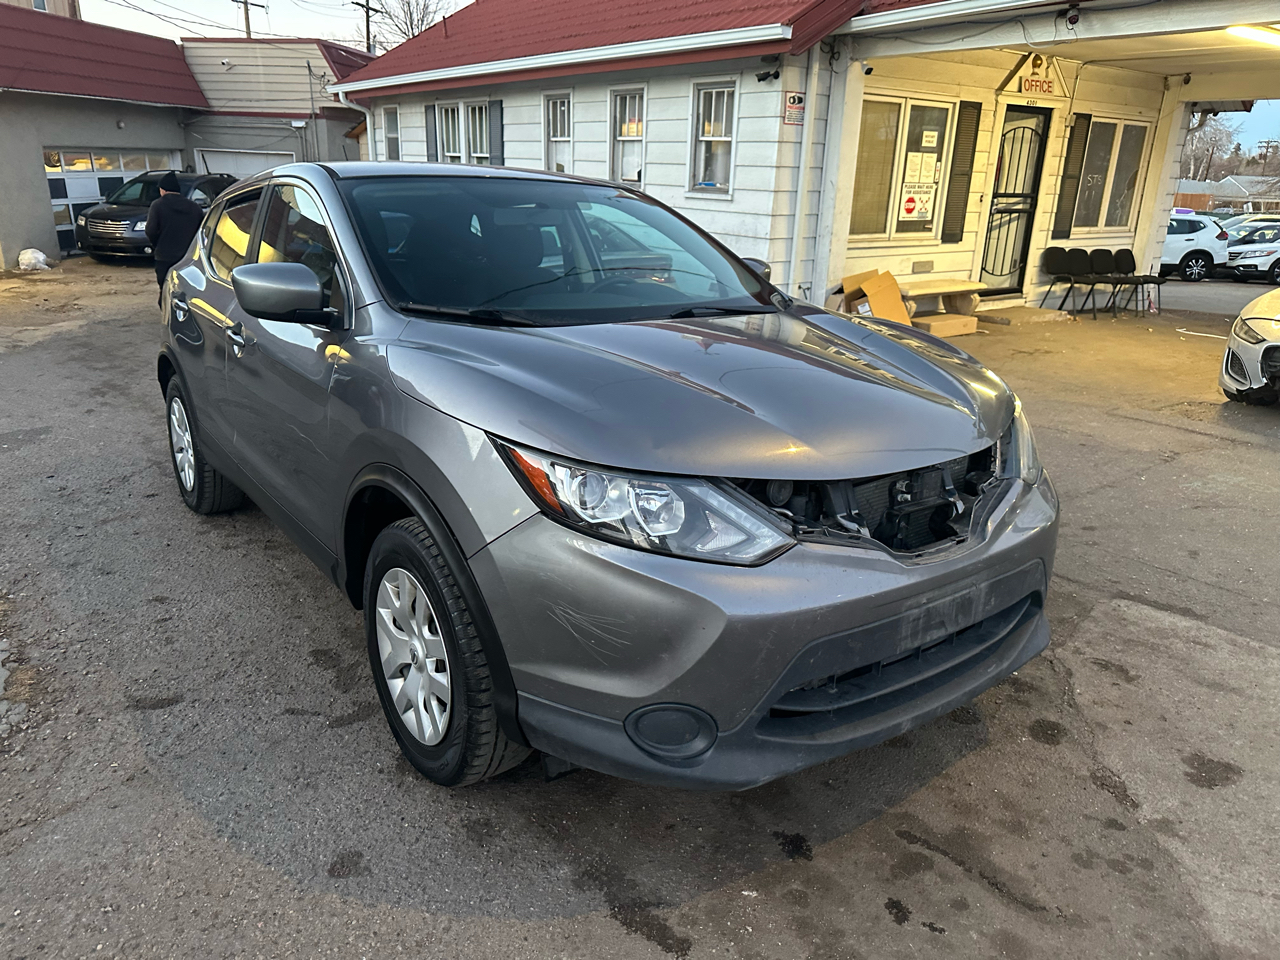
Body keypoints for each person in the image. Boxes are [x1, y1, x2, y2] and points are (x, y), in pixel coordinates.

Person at [145, 171, 203, 296]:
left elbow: (150, 230)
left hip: (165, 256)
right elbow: (201, 231)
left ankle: (168, 313)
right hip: (189, 257)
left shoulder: (157, 205)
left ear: (163, 190)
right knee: (189, 288)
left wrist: (157, 245)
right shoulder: (194, 207)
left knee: (166, 289)